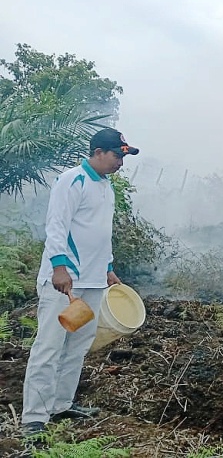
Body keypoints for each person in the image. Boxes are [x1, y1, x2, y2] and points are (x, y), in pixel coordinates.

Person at [21, 128, 139, 437]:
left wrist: (108, 267)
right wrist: (59, 267)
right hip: (66, 280)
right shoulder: (72, 180)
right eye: (117, 156)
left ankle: (60, 405)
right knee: (49, 345)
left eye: (123, 158)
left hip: (94, 280)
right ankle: (34, 417)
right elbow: (57, 224)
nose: (120, 163)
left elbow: (101, 232)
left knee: (78, 343)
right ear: (98, 152)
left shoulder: (106, 186)